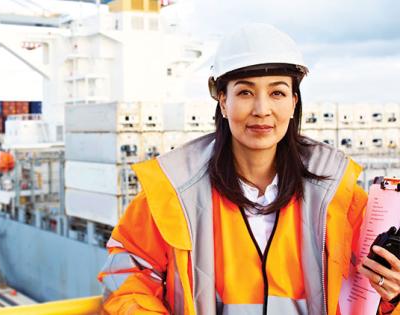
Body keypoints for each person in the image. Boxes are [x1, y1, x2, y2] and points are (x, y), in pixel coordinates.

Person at [97, 23, 400, 315]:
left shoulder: (338, 198)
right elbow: (125, 277)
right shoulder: (173, 192)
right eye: (245, 92)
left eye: (277, 93)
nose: (261, 109)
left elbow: (368, 297)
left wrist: (393, 296)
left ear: (294, 103)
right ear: (222, 101)